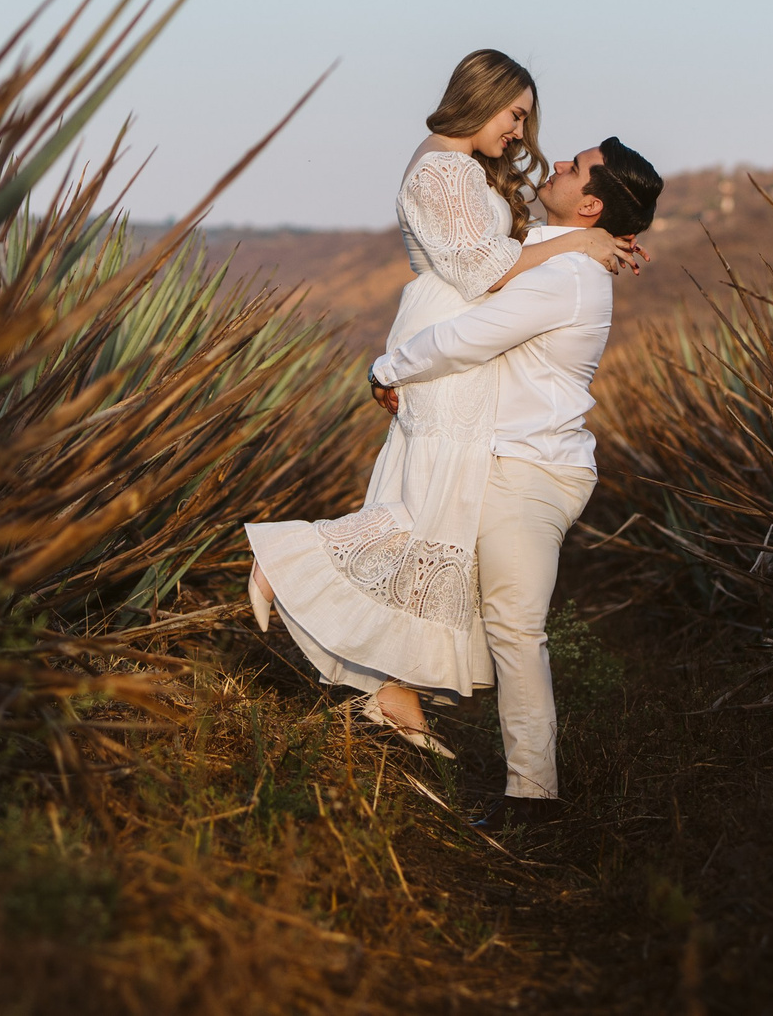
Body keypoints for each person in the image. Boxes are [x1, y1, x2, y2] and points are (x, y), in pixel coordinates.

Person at [243, 52, 642, 753]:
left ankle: (396, 694)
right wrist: (581, 237)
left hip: (452, 338)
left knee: (436, 504)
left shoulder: (460, 167)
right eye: (514, 114)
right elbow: (483, 271)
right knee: (432, 504)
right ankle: (289, 555)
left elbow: (497, 258)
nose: (521, 132)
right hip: (447, 336)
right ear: (481, 98)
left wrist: (586, 237)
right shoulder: (446, 169)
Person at [367, 137, 662, 821]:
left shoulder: (569, 277)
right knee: (429, 569)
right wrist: (593, 243)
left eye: (574, 167)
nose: (556, 162)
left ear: (590, 202)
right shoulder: (568, 256)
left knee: (515, 628)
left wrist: (389, 367)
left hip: (529, 471)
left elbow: (474, 333)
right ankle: (393, 697)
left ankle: (533, 796)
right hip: (500, 458)